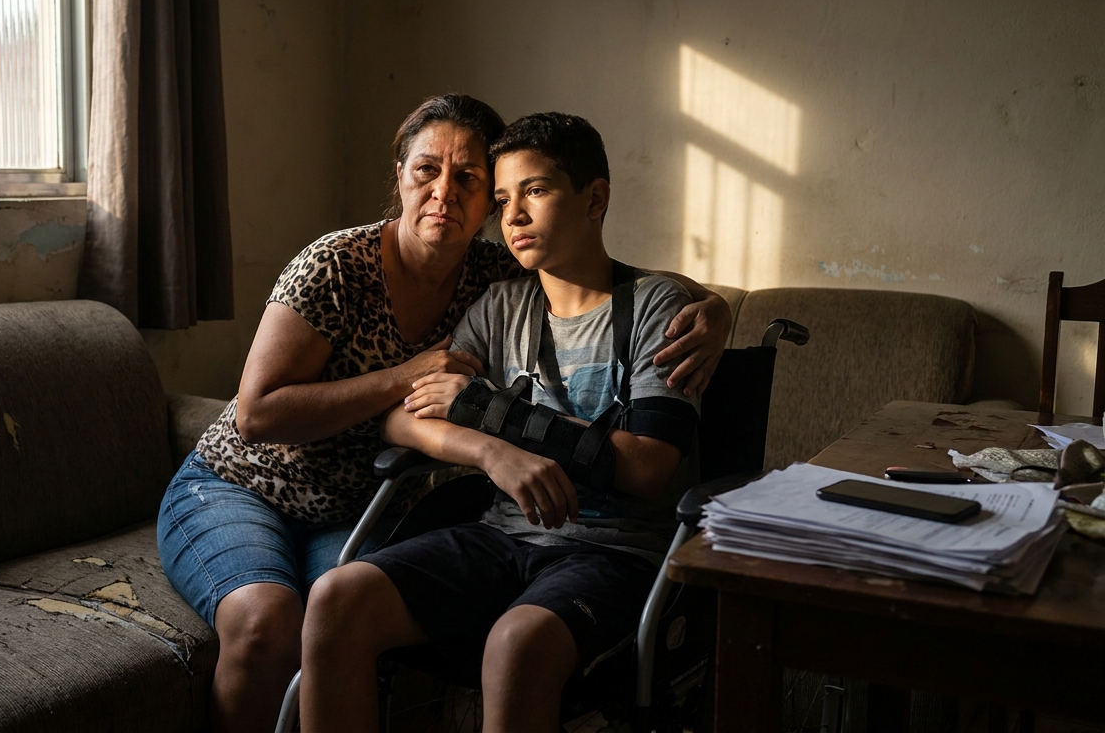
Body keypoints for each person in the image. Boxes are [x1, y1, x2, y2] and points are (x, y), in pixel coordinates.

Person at [157, 95, 729, 733]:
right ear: (398, 177)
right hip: (245, 486)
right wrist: (489, 447)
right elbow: (344, 415)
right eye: (426, 170)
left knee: (377, 612)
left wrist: (718, 309)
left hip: (551, 537)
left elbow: (631, 312)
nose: (447, 195)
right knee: (285, 618)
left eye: (475, 181)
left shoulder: (496, 275)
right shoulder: (349, 269)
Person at [300, 112, 701, 733]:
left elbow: (648, 467)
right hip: (499, 537)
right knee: (336, 598)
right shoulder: (498, 306)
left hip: (612, 554)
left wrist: (493, 413)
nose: (512, 216)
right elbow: (402, 423)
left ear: (595, 198)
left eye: (535, 192)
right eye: (503, 199)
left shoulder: (657, 308)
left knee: (516, 644)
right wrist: (494, 454)